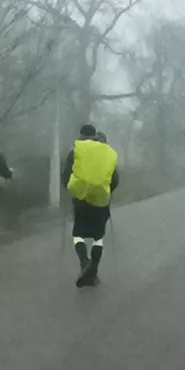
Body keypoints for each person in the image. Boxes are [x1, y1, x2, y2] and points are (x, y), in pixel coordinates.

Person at [61, 123, 120, 287]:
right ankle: (93, 270)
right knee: (98, 237)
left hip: (80, 198)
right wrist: (106, 191)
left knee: (78, 234)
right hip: (101, 200)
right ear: (95, 135)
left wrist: (70, 187)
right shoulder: (107, 152)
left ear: (81, 135)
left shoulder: (75, 151)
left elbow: (66, 175)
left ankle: (84, 262)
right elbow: (114, 179)